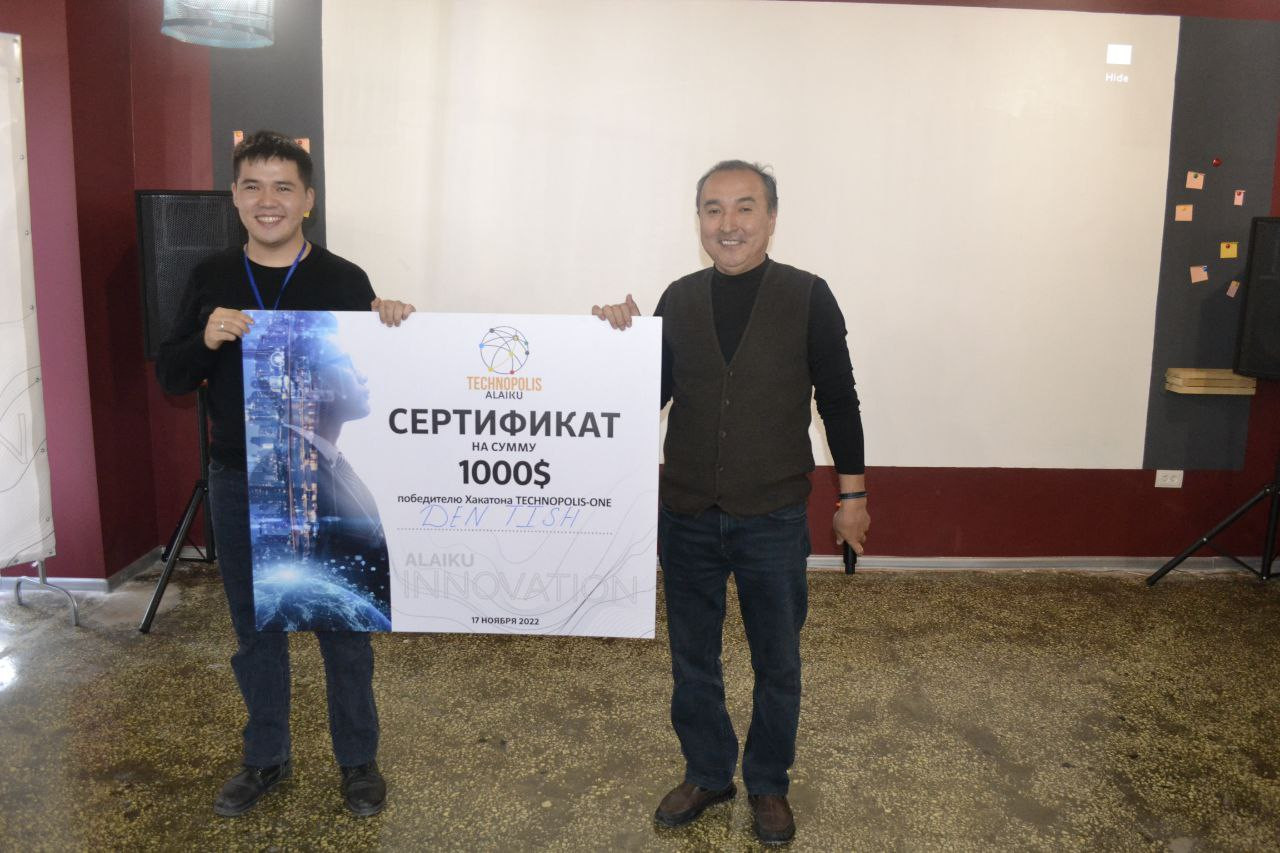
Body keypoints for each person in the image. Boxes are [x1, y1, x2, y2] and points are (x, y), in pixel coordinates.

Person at [593, 160, 870, 845]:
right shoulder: (679, 298)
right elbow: (645, 396)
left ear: (771, 218)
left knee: (778, 661)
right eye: (713, 209)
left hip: (773, 515)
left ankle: (769, 782)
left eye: (745, 207)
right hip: (687, 512)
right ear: (699, 221)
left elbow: (839, 402)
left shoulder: (809, 296)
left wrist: (853, 497)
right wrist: (620, 343)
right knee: (693, 657)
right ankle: (708, 771)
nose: (729, 223)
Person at [157, 131, 414, 818]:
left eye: (282, 187)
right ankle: (265, 757)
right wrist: (204, 338)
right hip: (239, 478)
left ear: (308, 200)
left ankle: (358, 761)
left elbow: (375, 372)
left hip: (326, 480)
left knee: (345, 629)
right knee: (256, 632)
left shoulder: (344, 279)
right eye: (252, 186)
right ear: (235, 197)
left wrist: (392, 323)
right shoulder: (210, 276)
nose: (267, 200)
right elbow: (171, 374)